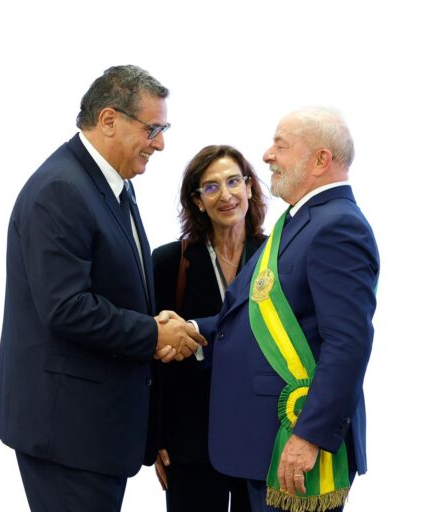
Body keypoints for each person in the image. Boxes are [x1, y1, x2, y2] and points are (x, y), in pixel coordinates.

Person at [0, 64, 205, 512]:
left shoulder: (111, 184)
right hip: (68, 434)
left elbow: (113, 285)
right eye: (152, 129)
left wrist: (155, 321)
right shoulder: (61, 189)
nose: (160, 144)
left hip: (94, 430)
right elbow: (66, 307)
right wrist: (153, 333)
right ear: (109, 120)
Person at [193, 107, 380, 512]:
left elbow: (348, 344)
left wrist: (309, 435)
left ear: (320, 160)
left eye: (281, 146)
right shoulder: (300, 221)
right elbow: (249, 317)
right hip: (264, 442)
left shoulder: (338, 227)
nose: (267, 156)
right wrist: (191, 330)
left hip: (294, 446)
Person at [151, 145, 267, 511]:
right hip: (190, 441)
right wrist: (155, 437)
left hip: (262, 439)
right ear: (198, 201)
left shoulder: (277, 258)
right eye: (211, 187)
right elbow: (153, 359)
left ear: (249, 187)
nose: (226, 195)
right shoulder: (170, 262)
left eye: (234, 181)